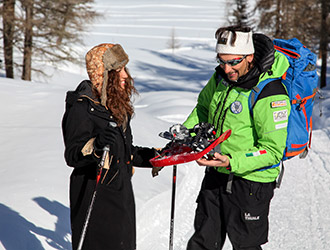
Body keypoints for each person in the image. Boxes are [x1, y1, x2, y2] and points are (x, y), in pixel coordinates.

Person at [183, 25, 291, 249]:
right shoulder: (221, 78)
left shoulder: (270, 92)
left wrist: (232, 161)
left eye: (233, 62)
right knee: (203, 241)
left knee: (246, 245)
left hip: (251, 182)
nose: (227, 68)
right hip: (216, 173)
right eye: (222, 61)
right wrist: (186, 132)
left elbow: (272, 151)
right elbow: (203, 108)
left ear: (249, 57)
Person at [62, 43, 157, 250]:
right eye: (118, 70)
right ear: (102, 74)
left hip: (120, 194)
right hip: (94, 197)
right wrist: (96, 145)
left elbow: (124, 152)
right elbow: (72, 155)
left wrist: (155, 157)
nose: (125, 75)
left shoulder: (115, 107)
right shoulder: (82, 106)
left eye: (125, 69)